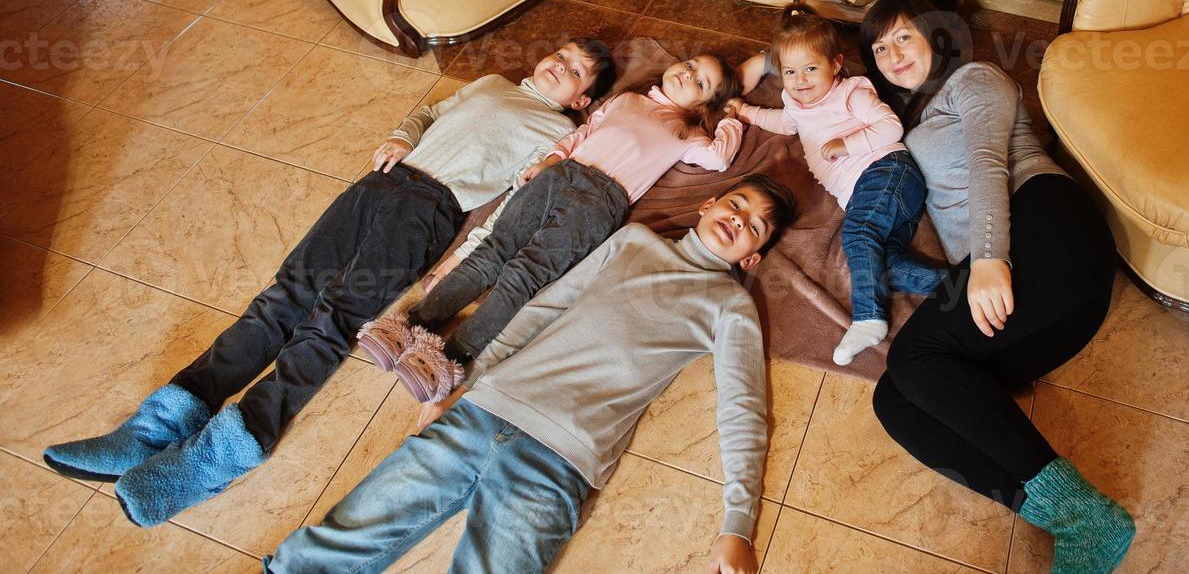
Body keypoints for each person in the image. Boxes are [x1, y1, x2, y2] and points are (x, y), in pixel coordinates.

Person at [42, 40, 616, 528]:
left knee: (335, 316)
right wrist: (399, 136)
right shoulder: (490, 82)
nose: (558, 65)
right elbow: (429, 113)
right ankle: (155, 427)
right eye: (559, 54)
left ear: (581, 100)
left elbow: (511, 205)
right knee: (283, 296)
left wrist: (459, 261)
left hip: (430, 212)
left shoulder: (559, 133)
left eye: (575, 71)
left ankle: (221, 454)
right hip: (378, 185)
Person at [266, 175, 798, 574]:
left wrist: (738, 525)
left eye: (755, 227)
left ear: (752, 260)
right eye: (736, 204)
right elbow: (542, 309)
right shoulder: (633, 242)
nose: (739, 220)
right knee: (344, 535)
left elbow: (743, 409)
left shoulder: (730, 307)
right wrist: (463, 383)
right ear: (708, 205)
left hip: (561, 458)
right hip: (484, 409)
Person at [860, 0, 1135, 573]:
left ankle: (1087, 515)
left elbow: (987, 160)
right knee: (897, 400)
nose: (890, 53)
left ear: (937, 36)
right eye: (879, 47)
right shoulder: (913, 117)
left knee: (914, 354)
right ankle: (1058, 513)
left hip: (1048, 230)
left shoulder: (974, 78)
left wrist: (987, 259)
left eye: (902, 36)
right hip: (1053, 311)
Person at [360, 53, 745, 404]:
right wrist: (552, 160)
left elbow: (720, 158)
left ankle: (451, 356)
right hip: (561, 173)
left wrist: (730, 114)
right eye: (691, 65)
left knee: (525, 274)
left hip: (602, 201)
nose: (688, 74)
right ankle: (414, 323)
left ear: (703, 105)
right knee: (493, 250)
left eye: (700, 83)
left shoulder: (687, 134)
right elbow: (582, 133)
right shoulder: (626, 100)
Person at [726, 9, 942, 366]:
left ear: (836, 64)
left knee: (858, 235)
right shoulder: (794, 102)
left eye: (811, 68)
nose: (800, 80)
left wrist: (847, 143)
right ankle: (956, 285)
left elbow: (890, 127)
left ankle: (869, 317)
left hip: (886, 171)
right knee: (879, 263)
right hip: (871, 192)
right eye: (790, 72)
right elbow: (782, 122)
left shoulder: (850, 93)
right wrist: (746, 112)